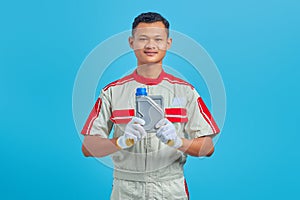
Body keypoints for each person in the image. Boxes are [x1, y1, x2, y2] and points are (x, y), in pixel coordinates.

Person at [81, 12, 220, 200]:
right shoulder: (112, 92)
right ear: (131, 42)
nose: (151, 45)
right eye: (143, 39)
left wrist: (178, 141)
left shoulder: (186, 91)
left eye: (158, 39)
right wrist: (120, 142)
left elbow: (207, 147)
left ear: (168, 43)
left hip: (170, 188)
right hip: (126, 189)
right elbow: (88, 147)